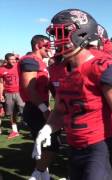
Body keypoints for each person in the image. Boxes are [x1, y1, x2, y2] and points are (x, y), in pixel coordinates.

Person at [33, 9, 112, 180]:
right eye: (55, 35)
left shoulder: (100, 66)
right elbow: (60, 110)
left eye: (62, 34)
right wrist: (46, 129)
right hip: (74, 146)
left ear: (81, 34)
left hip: (99, 147)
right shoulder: (61, 68)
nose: (57, 41)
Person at [18, 35, 59, 180]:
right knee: (52, 144)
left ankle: (43, 174)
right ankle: (37, 174)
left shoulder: (41, 62)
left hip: (40, 106)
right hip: (35, 108)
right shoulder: (30, 60)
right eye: (46, 46)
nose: (49, 49)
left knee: (44, 144)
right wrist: (44, 109)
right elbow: (29, 88)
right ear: (37, 46)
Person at [0, 53, 25, 139]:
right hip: (8, 93)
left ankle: (32, 126)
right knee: (11, 113)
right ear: (6, 60)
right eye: (11, 59)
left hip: (19, 92)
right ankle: (15, 131)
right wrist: (1, 94)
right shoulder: (2, 69)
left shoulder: (19, 66)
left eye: (14, 59)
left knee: (24, 109)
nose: (14, 60)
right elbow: (1, 83)